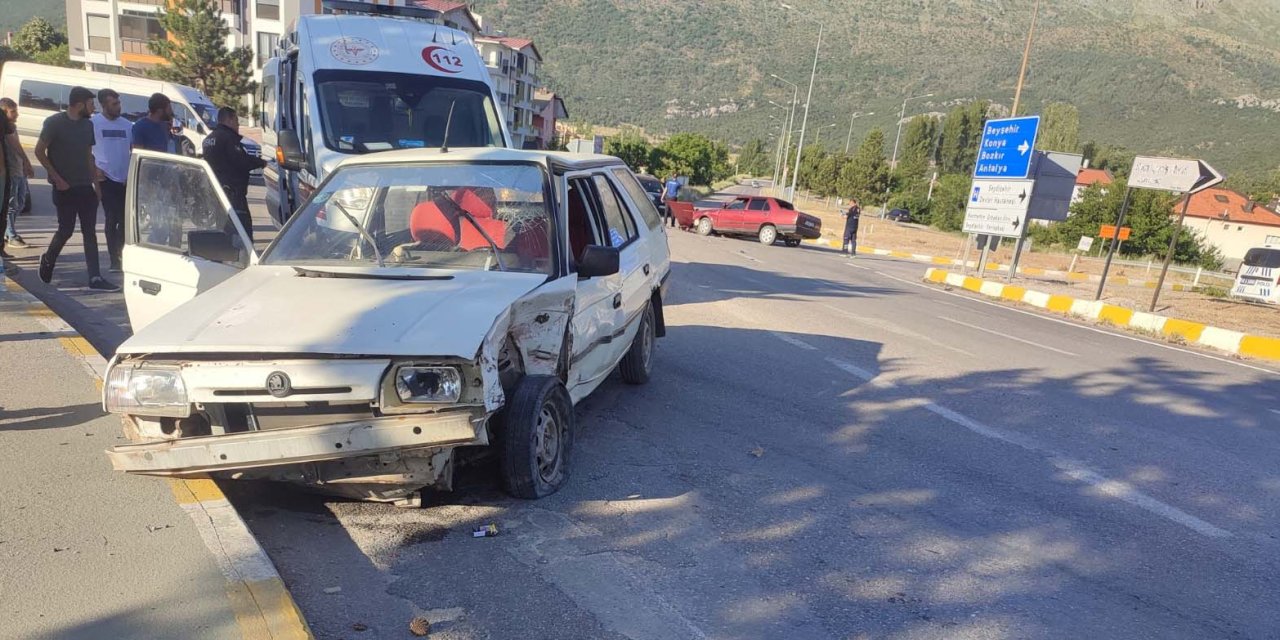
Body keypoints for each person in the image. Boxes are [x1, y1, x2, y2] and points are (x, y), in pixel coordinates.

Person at [35, 86, 116, 290]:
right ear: (79, 104)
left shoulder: (87, 126)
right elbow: (39, 151)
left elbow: (89, 155)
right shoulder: (54, 123)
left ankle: (95, 278)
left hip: (85, 186)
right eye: (91, 104)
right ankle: (48, 259)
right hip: (64, 188)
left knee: (90, 232)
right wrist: (57, 178)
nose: (93, 108)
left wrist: (96, 184)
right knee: (66, 230)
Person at [203, 107, 266, 242]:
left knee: (223, 231)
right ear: (229, 120)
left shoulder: (208, 139)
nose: (238, 125)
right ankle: (244, 260)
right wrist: (261, 162)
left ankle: (223, 258)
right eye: (236, 121)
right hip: (233, 194)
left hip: (217, 193)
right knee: (243, 235)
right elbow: (241, 161)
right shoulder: (228, 138)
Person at [92, 89, 132, 273]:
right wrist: (95, 172)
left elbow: (133, 150)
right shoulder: (94, 124)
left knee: (125, 221)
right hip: (106, 177)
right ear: (104, 105)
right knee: (111, 218)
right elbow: (87, 151)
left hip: (124, 179)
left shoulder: (127, 125)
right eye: (114, 104)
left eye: (118, 103)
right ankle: (113, 259)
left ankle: (122, 254)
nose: (118, 107)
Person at [0, 99, 33, 250]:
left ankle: (8, 231)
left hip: (18, 171)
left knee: (20, 203)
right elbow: (15, 145)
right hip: (11, 171)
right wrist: (26, 161)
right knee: (11, 205)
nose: (16, 115)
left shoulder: (12, 127)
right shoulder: (5, 129)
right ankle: (11, 235)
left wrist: (24, 165)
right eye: (13, 112)